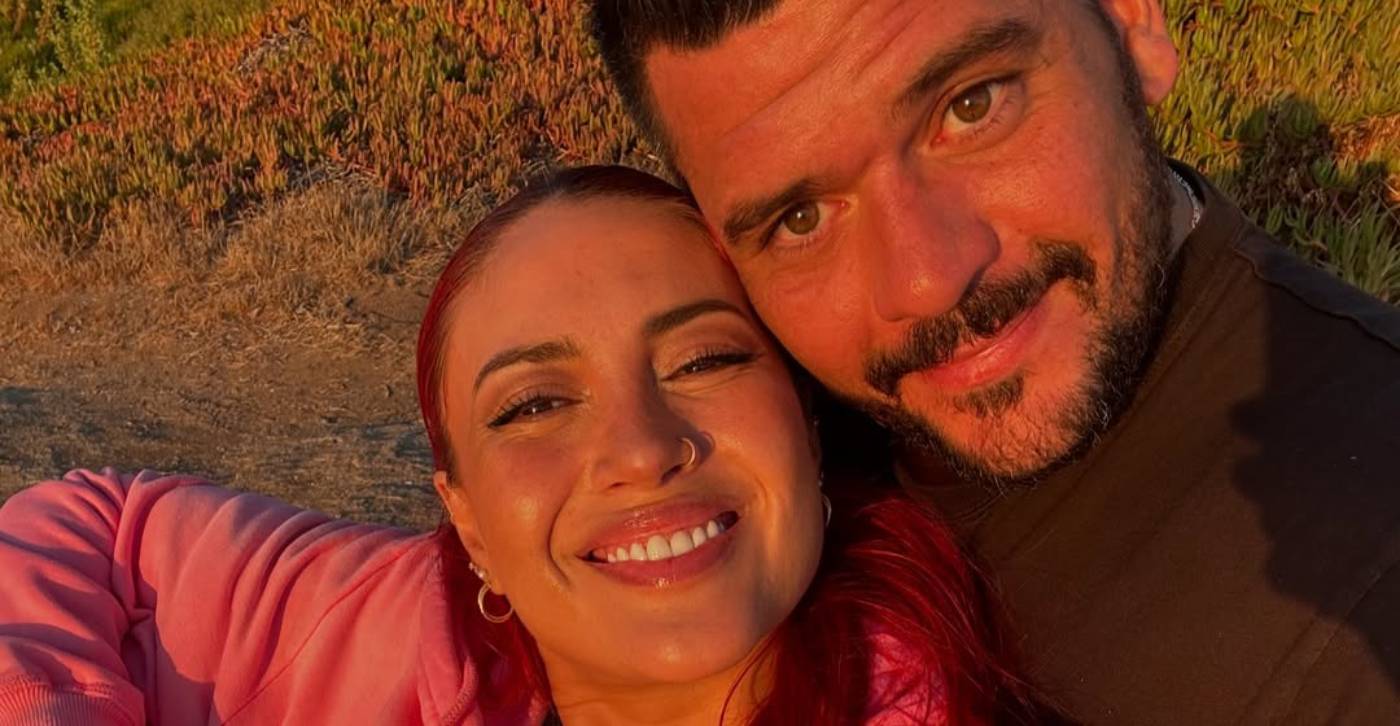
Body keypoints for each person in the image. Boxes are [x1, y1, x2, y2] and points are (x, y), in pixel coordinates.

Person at [0, 166, 1060, 724]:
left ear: (807, 429)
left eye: (702, 360)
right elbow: (94, 522)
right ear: (464, 519)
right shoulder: (385, 618)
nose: (640, 449)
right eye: (533, 405)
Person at [589, 0, 1400, 722]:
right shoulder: (727, 446)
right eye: (800, 219)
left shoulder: (1366, 594)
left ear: (1130, 24)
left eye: (971, 106)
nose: (927, 280)